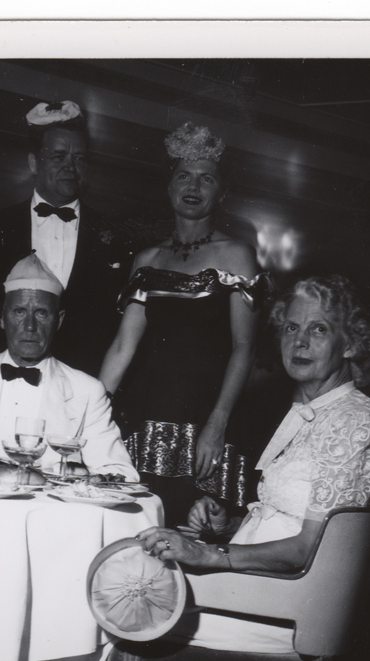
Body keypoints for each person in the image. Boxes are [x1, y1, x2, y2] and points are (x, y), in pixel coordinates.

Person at [133, 274, 370, 653]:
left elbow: (312, 548)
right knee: (131, 585)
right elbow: (290, 520)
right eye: (291, 327)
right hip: (252, 590)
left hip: (282, 609)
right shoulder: (310, 410)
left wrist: (209, 554)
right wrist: (229, 525)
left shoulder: (353, 420)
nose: (299, 341)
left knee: (132, 611)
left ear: (350, 343)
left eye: (319, 329)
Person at [99, 123, 267, 523]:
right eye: (184, 176)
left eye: (206, 178)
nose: (193, 186)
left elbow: (245, 348)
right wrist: (89, 413)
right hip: (146, 412)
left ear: (221, 191)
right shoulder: (147, 260)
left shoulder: (237, 255)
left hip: (207, 416)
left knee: (193, 529)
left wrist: (217, 424)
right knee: (136, 525)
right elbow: (123, 347)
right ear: (169, 186)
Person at [0, 100, 134, 379]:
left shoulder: (118, 236)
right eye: (59, 157)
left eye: (79, 158)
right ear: (33, 163)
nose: (70, 167)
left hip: (83, 383)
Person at [0, 253, 138, 478]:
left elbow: (119, 473)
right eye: (19, 311)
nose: (29, 326)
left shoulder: (87, 391)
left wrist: (76, 476)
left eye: (41, 313)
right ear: (1, 318)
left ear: (59, 320)